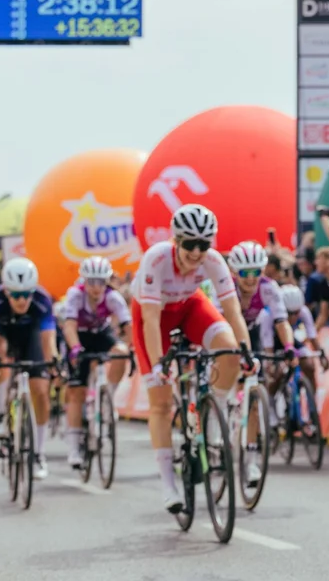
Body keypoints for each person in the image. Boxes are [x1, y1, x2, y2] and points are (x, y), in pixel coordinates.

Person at [131, 204, 254, 513]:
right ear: (176, 240)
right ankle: (168, 484)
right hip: (154, 316)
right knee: (161, 402)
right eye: (189, 244)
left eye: (203, 244)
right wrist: (159, 364)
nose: (197, 252)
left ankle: (213, 414)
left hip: (189, 306)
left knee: (230, 352)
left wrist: (246, 351)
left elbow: (233, 311)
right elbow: (150, 319)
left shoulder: (213, 261)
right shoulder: (156, 258)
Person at [227, 240, 296, 487]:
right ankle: (220, 415)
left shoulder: (269, 288)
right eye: (245, 273)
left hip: (253, 333)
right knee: (226, 375)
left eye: (256, 271)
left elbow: (281, 321)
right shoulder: (225, 287)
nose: (251, 278)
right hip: (226, 331)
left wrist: (289, 348)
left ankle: (252, 460)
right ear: (234, 272)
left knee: (254, 397)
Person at [0, 258, 57, 481]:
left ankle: (39, 453)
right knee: (1, 361)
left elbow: (48, 340)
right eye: (15, 295)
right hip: (4, 337)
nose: (22, 300)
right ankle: (0, 415)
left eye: (26, 294)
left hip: (31, 338)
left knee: (40, 392)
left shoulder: (42, 300)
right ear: (6, 291)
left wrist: (53, 365)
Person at [59, 255, 132, 469]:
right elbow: (69, 326)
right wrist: (75, 349)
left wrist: (131, 349)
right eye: (91, 282)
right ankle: (74, 448)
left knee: (120, 352)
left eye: (101, 282)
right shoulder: (75, 295)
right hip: (79, 336)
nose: (96, 287)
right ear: (84, 281)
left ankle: (108, 396)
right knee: (77, 392)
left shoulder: (113, 297)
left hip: (101, 333)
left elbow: (128, 327)